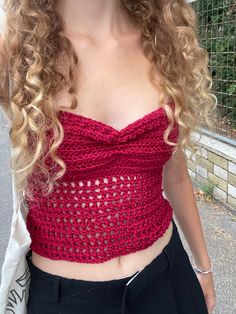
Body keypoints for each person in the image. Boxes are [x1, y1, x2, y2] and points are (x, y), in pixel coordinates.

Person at [0, 0, 217, 313]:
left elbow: (175, 172)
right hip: (63, 301)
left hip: (168, 279)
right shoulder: (15, 52)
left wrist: (204, 265)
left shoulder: (163, 42)